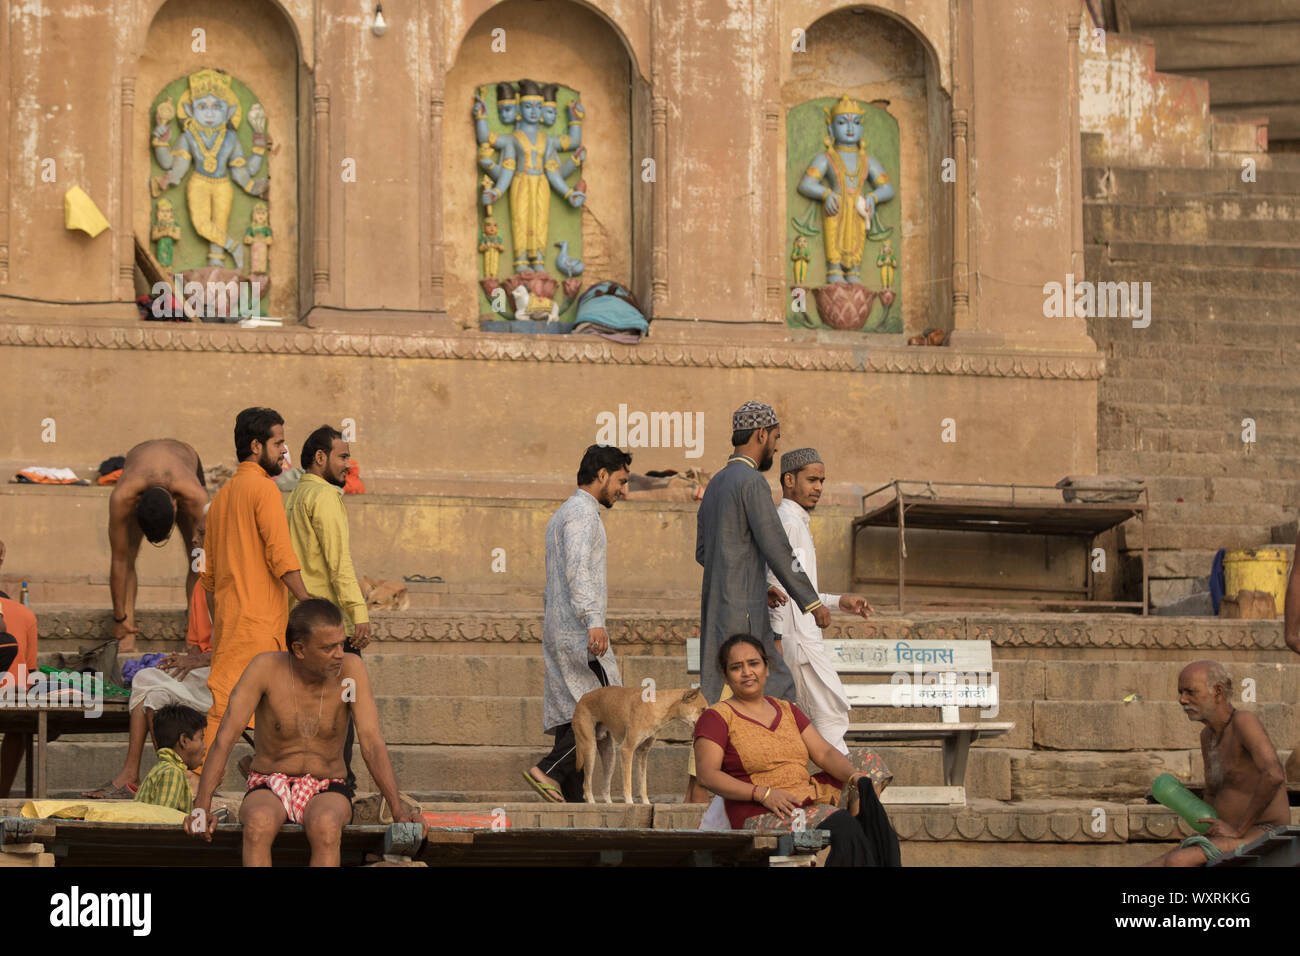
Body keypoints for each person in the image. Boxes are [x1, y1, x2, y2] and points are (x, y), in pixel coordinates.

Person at [186, 599, 423, 866]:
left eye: (340, 644)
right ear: (299, 649)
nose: (339, 653)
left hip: (328, 786)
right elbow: (225, 738)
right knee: (258, 823)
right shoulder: (264, 668)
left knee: (326, 826)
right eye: (328, 647)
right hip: (268, 782)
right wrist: (201, 807)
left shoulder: (351, 669)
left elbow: (371, 743)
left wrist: (398, 809)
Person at [689, 401, 827, 804]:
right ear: (761, 435)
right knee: (778, 691)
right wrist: (812, 602)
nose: (776, 447)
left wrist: (746, 572)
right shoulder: (751, 484)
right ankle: (789, 788)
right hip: (745, 615)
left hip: (717, 607)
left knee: (717, 706)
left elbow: (705, 551)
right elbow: (777, 548)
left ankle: (700, 812)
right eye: (776, 438)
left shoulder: (715, 483)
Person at [693, 634, 897, 866]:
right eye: (736, 667)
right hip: (761, 812)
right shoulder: (717, 716)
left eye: (754, 663)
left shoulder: (787, 709)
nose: (747, 672)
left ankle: (860, 828)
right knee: (843, 826)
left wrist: (854, 778)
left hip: (804, 796)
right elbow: (707, 775)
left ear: (766, 668)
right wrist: (763, 794)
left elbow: (824, 753)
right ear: (726, 675)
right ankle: (855, 834)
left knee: (866, 763)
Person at [199, 407, 311, 765]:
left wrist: (221, 629)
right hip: (261, 628)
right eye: (278, 443)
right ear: (255, 446)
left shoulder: (220, 499)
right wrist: (308, 604)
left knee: (225, 711)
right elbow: (281, 557)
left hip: (232, 627)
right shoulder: (264, 490)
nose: (284, 452)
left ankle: (212, 785)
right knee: (267, 713)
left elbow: (210, 580)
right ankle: (205, 781)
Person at [523, 444, 630, 803]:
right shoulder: (583, 515)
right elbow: (577, 569)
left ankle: (573, 796)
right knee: (602, 709)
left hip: (562, 628)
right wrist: (593, 620)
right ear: (602, 475)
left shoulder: (564, 513)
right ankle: (549, 770)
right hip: (580, 632)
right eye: (620, 481)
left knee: (575, 713)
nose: (623, 491)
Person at [765, 447, 873, 754]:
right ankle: (846, 791)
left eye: (822, 481)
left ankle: (834, 791)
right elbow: (777, 586)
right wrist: (776, 639)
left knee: (818, 722)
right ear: (789, 480)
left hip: (801, 640)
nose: (819, 488)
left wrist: (841, 601)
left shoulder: (796, 522)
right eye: (812, 480)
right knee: (829, 718)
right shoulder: (788, 522)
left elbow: (803, 589)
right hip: (796, 643)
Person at [286, 425, 370, 797]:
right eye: (342, 456)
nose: (348, 465)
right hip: (330, 624)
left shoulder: (294, 494)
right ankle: (339, 789)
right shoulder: (324, 497)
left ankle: (310, 786)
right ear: (320, 457)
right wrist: (359, 612)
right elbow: (339, 565)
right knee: (342, 713)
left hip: (299, 622)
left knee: (313, 709)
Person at [1143, 661, 1289, 866]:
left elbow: (1274, 775)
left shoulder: (1244, 721)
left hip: (1263, 829)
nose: (1182, 699)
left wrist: (1238, 830)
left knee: (1178, 861)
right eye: (1180, 692)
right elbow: (1214, 793)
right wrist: (1205, 833)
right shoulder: (1207, 736)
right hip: (1226, 833)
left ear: (1217, 692)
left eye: (1190, 692)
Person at [84, 575, 214, 798]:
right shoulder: (200, 587)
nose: (194, 539)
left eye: (200, 537)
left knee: (145, 679)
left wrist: (198, 660)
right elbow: (195, 650)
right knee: (153, 694)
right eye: (194, 536)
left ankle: (141, 773)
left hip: (227, 675)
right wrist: (180, 662)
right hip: (202, 671)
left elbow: (237, 648)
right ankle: (167, 774)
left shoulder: (232, 585)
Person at [108, 439, 210, 651]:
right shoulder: (122, 496)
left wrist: (203, 625)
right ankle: (127, 632)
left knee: (198, 557)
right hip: (138, 456)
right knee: (128, 555)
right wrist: (119, 619)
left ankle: (195, 630)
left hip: (185, 456)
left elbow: (205, 563)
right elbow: (119, 560)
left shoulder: (195, 496)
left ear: (175, 505)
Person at [0, 539, 38, 797]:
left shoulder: (22, 615)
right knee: (21, 722)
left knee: (21, 719)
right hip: (14, 698)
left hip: (14, 698)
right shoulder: (24, 614)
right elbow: (30, 672)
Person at [134, 704, 206, 813]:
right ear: (184, 741)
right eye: (201, 739)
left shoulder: (164, 768)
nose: (204, 746)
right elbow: (164, 819)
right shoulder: (173, 773)